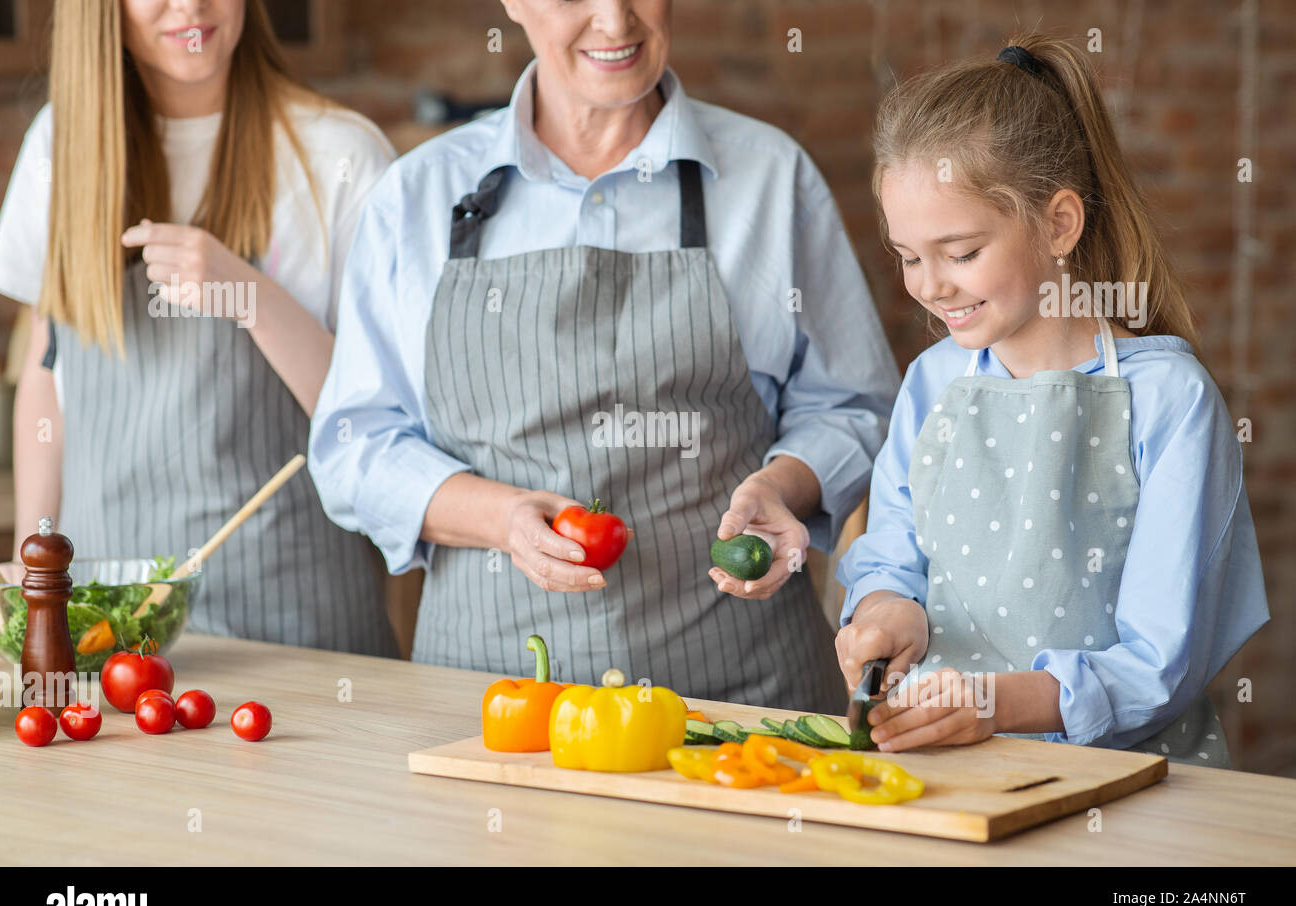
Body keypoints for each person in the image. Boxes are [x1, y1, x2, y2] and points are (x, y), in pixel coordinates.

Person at [309, 0, 900, 711]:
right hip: (491, 706)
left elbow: (852, 404)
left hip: (739, 703)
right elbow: (355, 445)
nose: (615, 22)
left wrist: (784, 486)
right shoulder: (419, 194)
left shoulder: (770, 177)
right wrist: (501, 518)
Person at [835, 35, 1269, 765]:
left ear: (1058, 224)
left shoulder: (1170, 401)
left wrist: (989, 703)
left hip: (1125, 789)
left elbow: (1159, 661)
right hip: (946, 777)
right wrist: (884, 612)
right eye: (908, 257)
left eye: (961, 252)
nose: (929, 286)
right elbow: (891, 556)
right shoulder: (933, 382)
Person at [0, 0, 400, 654]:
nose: (190, 6)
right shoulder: (61, 143)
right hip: (109, 633)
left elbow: (377, 420)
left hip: (296, 633)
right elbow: (48, 376)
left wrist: (251, 295)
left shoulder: (343, 156)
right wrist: (36, 566)